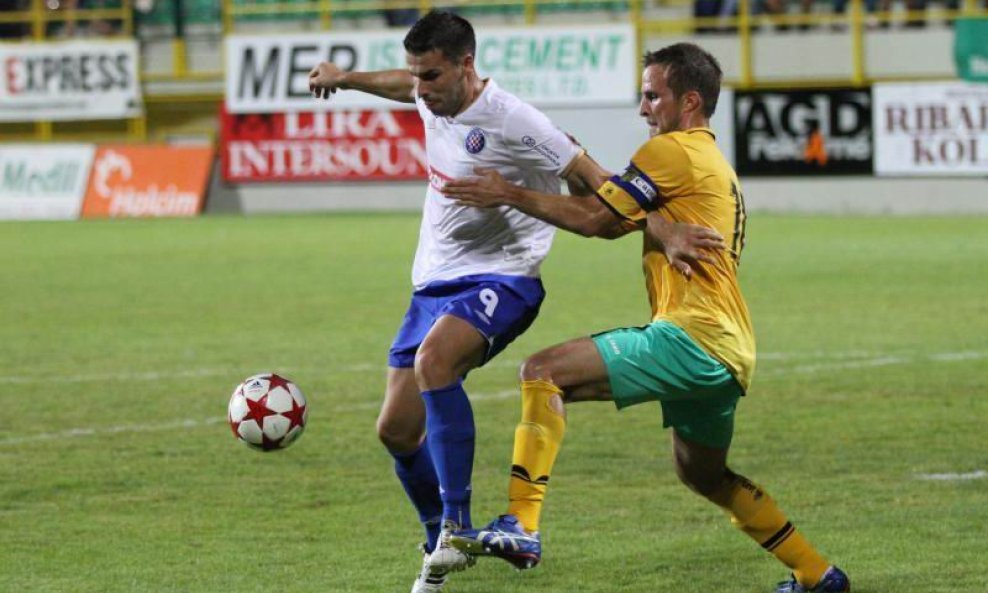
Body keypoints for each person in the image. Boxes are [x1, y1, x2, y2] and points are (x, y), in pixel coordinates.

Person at [307, 10, 704, 593]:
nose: (421, 89)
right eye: (417, 76)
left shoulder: (516, 120)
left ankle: (458, 526)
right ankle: (436, 539)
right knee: (394, 429)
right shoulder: (428, 93)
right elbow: (400, 85)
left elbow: (595, 175)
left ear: (467, 65)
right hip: (433, 280)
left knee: (434, 364)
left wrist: (663, 230)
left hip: (506, 277)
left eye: (432, 76)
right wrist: (346, 78)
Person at [443, 42, 851, 593]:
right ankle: (816, 573)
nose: (643, 109)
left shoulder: (670, 152)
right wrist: (575, 163)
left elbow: (596, 221)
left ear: (688, 101)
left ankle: (521, 524)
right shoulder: (708, 162)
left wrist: (507, 191)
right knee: (702, 474)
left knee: (543, 370)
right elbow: (617, 214)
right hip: (730, 351)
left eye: (651, 95)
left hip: (690, 337)